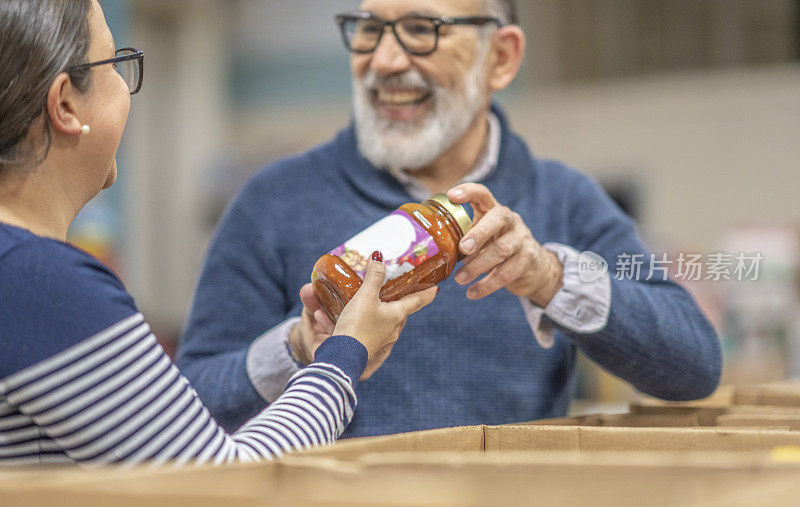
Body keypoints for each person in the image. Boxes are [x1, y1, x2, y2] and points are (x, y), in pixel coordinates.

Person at [177, 0, 722, 437]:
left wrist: (550, 279)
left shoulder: (563, 199)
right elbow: (189, 410)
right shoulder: (274, 201)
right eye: (368, 30)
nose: (385, 61)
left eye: (421, 29)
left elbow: (693, 367)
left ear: (501, 58)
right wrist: (300, 349)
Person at [0, 0, 436, 468]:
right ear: (66, 104)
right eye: (114, 64)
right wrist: (346, 353)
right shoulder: (40, 280)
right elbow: (216, 478)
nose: (127, 88)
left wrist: (300, 348)